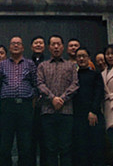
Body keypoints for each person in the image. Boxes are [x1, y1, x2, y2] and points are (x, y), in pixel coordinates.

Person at [0, 36, 37, 166]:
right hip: (7, 106)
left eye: (18, 44)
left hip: (25, 106)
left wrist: (31, 106)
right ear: (9, 47)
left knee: (25, 144)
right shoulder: (2, 64)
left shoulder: (30, 64)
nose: (16, 46)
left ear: (23, 47)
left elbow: (36, 85)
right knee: (5, 144)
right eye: (13, 44)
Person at [37, 34, 79, 166]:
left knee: (66, 147)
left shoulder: (70, 66)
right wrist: (52, 98)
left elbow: (75, 84)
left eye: (58, 44)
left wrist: (62, 99)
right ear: (49, 47)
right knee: (50, 148)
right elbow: (39, 84)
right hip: (47, 112)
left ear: (63, 47)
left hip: (66, 112)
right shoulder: (42, 66)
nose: (56, 47)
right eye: (53, 44)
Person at [73, 47, 105, 166]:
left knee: (96, 149)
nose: (81, 59)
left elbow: (99, 93)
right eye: (79, 56)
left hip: (93, 115)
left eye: (84, 56)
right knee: (81, 150)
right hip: (78, 117)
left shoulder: (96, 75)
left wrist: (93, 111)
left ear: (89, 58)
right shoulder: (73, 76)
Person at [31, 35, 47, 166]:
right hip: (30, 106)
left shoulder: (48, 62)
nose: (38, 45)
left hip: (46, 105)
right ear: (31, 46)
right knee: (30, 141)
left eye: (40, 43)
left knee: (45, 141)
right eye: (36, 43)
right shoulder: (26, 62)